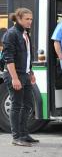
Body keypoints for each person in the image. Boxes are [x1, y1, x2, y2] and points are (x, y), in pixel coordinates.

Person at [2, 8, 38, 146]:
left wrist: (31, 73)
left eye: (31, 19)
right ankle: (16, 137)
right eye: (27, 19)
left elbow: (28, 56)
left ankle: (24, 134)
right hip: (15, 74)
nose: (30, 22)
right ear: (18, 19)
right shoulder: (11, 34)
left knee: (28, 105)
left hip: (25, 74)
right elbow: (8, 58)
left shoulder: (25, 33)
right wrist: (14, 78)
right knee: (16, 106)